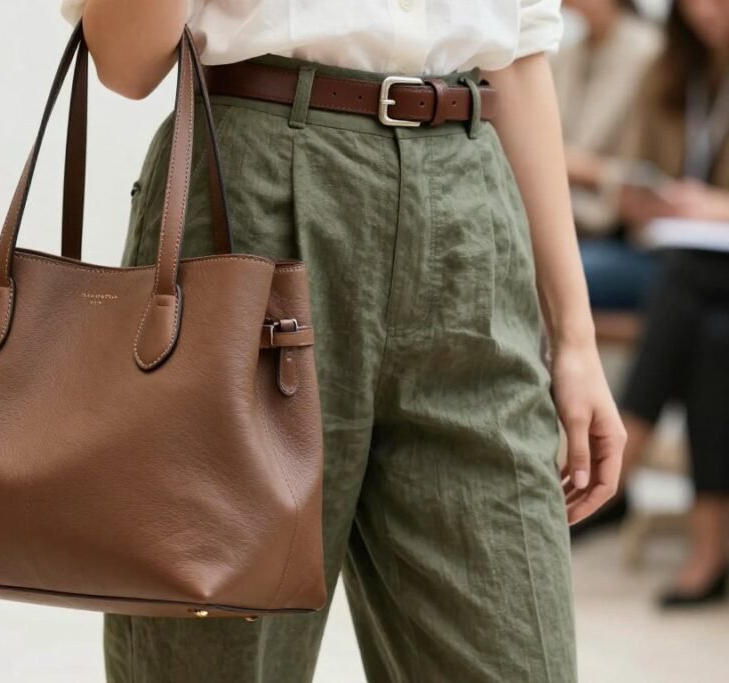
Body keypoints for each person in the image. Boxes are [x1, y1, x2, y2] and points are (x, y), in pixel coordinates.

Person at [63, 1, 626, 681]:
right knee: (216, 659)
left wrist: (575, 337)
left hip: (470, 207)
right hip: (251, 202)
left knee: (514, 650)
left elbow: (522, 52)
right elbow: (126, 62)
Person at [614, 0, 729, 608]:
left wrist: (718, 207)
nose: (705, 12)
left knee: (685, 287)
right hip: (688, 262)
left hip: (701, 260)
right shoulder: (674, 68)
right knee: (713, 336)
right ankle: (710, 551)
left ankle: (618, 461)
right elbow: (635, 171)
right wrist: (646, 199)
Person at [553, 0, 662, 311]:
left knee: (545, 276)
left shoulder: (648, 52)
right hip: (565, 222)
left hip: (617, 233)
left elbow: (644, 174)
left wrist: (570, 166)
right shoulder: (570, 51)